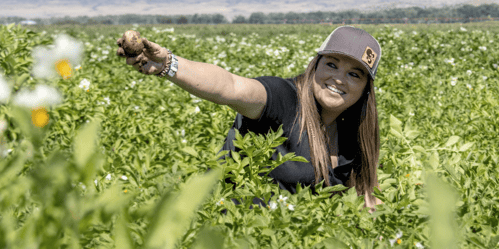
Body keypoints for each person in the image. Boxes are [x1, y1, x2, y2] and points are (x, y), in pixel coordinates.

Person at [116, 25, 383, 212]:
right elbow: (230, 87)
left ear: (365, 89)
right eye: (332, 64)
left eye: (354, 74)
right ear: (315, 65)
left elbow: (366, 201)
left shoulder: (354, 133)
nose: (338, 78)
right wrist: (169, 64)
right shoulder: (284, 100)